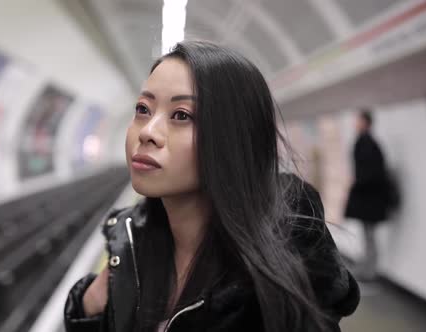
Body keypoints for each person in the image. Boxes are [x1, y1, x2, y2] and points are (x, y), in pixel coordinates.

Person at [64, 41, 359, 332]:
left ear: (233, 138)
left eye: (181, 115)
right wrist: (87, 309)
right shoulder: (132, 241)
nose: (148, 132)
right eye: (143, 109)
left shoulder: (288, 270)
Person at [344, 110, 389, 281]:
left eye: (358, 121)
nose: (355, 124)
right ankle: (367, 269)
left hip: (370, 200)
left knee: (369, 236)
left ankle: (370, 271)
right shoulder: (368, 143)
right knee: (368, 235)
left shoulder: (368, 144)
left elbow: (369, 175)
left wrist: (357, 183)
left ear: (366, 123)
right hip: (369, 200)